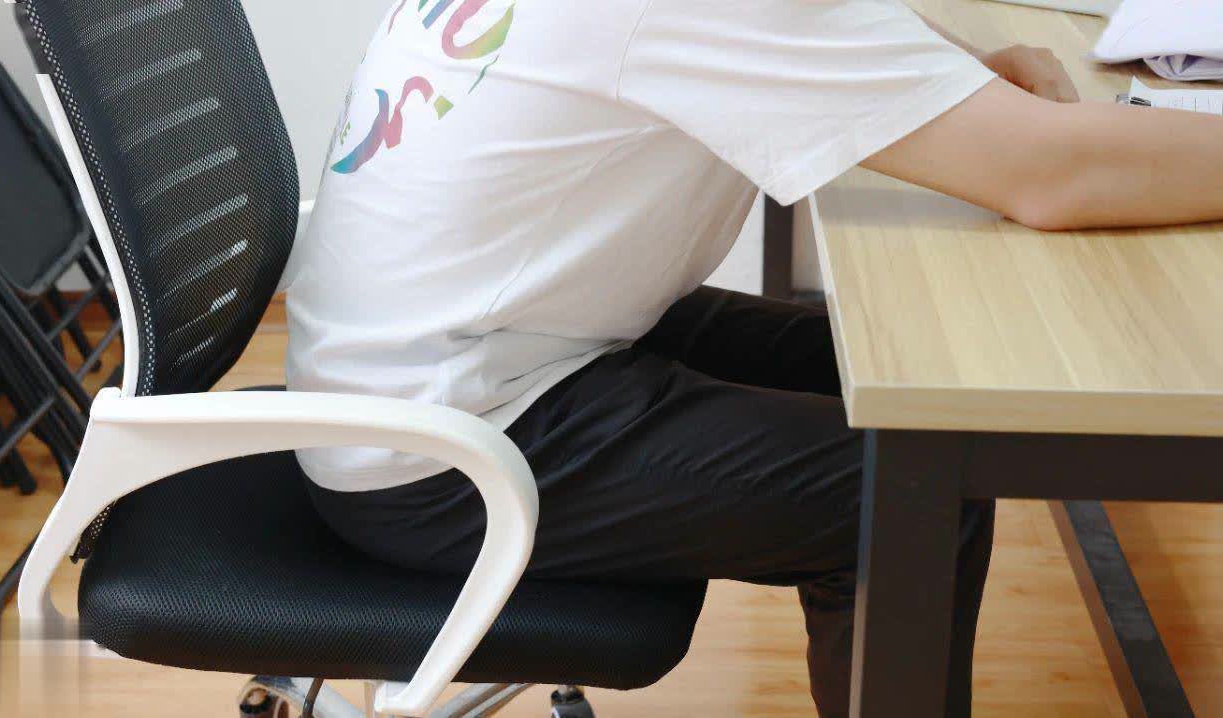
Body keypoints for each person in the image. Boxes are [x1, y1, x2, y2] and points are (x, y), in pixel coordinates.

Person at [284, 2, 1223, 716]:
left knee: (893, 379)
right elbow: (1054, 174)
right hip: (444, 447)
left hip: (460, 354)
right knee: (898, 494)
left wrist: (951, 79)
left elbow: (816, 32)